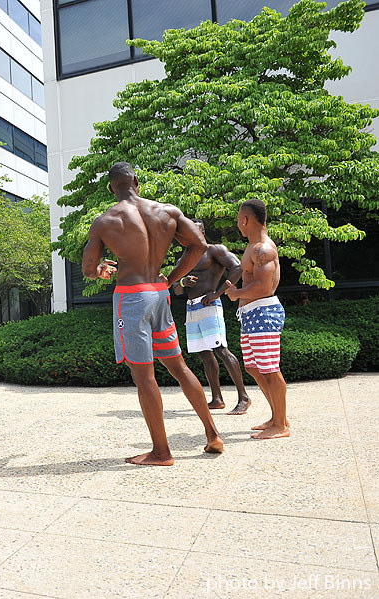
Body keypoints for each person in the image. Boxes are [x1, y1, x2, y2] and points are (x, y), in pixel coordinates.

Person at [82, 162, 223, 466]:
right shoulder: (167, 211)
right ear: (136, 181)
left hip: (131, 298)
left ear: (111, 188)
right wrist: (171, 279)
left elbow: (88, 269)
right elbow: (199, 245)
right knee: (179, 367)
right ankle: (213, 434)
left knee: (144, 376)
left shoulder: (105, 221)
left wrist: (100, 270)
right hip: (159, 294)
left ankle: (161, 452)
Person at [222, 199, 289, 439]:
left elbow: (263, 287)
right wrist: (239, 295)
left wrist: (236, 293)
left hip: (263, 312)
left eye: (238, 220)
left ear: (244, 220)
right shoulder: (253, 247)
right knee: (253, 367)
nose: (237, 224)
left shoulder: (263, 249)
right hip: (251, 314)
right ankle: (277, 416)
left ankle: (281, 425)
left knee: (270, 369)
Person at [171, 219, 251, 414]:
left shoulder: (214, 250)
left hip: (209, 305)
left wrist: (218, 293)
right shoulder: (184, 258)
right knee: (204, 354)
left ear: (203, 232)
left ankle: (244, 397)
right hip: (192, 308)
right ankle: (217, 399)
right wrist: (183, 282)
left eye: (196, 231)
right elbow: (176, 289)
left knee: (221, 349)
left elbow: (238, 267)